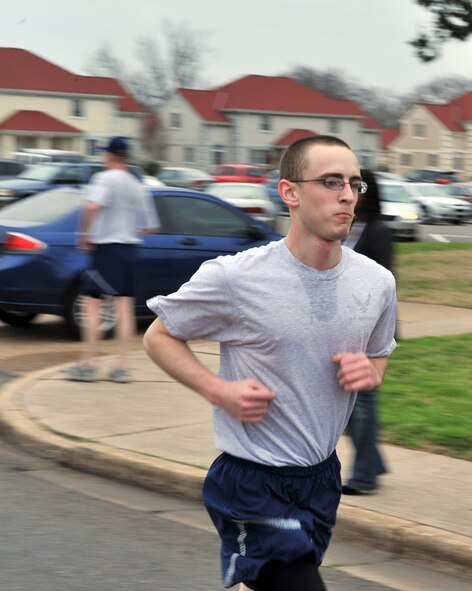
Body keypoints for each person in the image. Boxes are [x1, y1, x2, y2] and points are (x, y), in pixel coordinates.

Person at [143, 136, 397, 590]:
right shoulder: (236, 278)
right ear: (290, 192)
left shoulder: (376, 283)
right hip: (250, 482)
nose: (347, 194)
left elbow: (379, 353)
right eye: (331, 181)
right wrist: (218, 391)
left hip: (321, 478)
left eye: (354, 183)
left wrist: (371, 373)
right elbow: (159, 336)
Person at [66, 136, 159, 383]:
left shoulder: (104, 178)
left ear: (109, 156)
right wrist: (127, 230)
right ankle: (122, 367)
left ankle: (88, 364)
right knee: (124, 308)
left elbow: (92, 207)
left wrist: (84, 235)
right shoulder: (137, 185)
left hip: (107, 250)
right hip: (129, 250)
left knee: (92, 304)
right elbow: (150, 227)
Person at [341, 169, 394, 495]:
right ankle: (371, 463)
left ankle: (364, 476)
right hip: (342, 328)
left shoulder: (378, 231)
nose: (348, 193)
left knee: (361, 404)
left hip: (368, 330)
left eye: (355, 186)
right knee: (350, 407)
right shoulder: (346, 227)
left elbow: (383, 284)